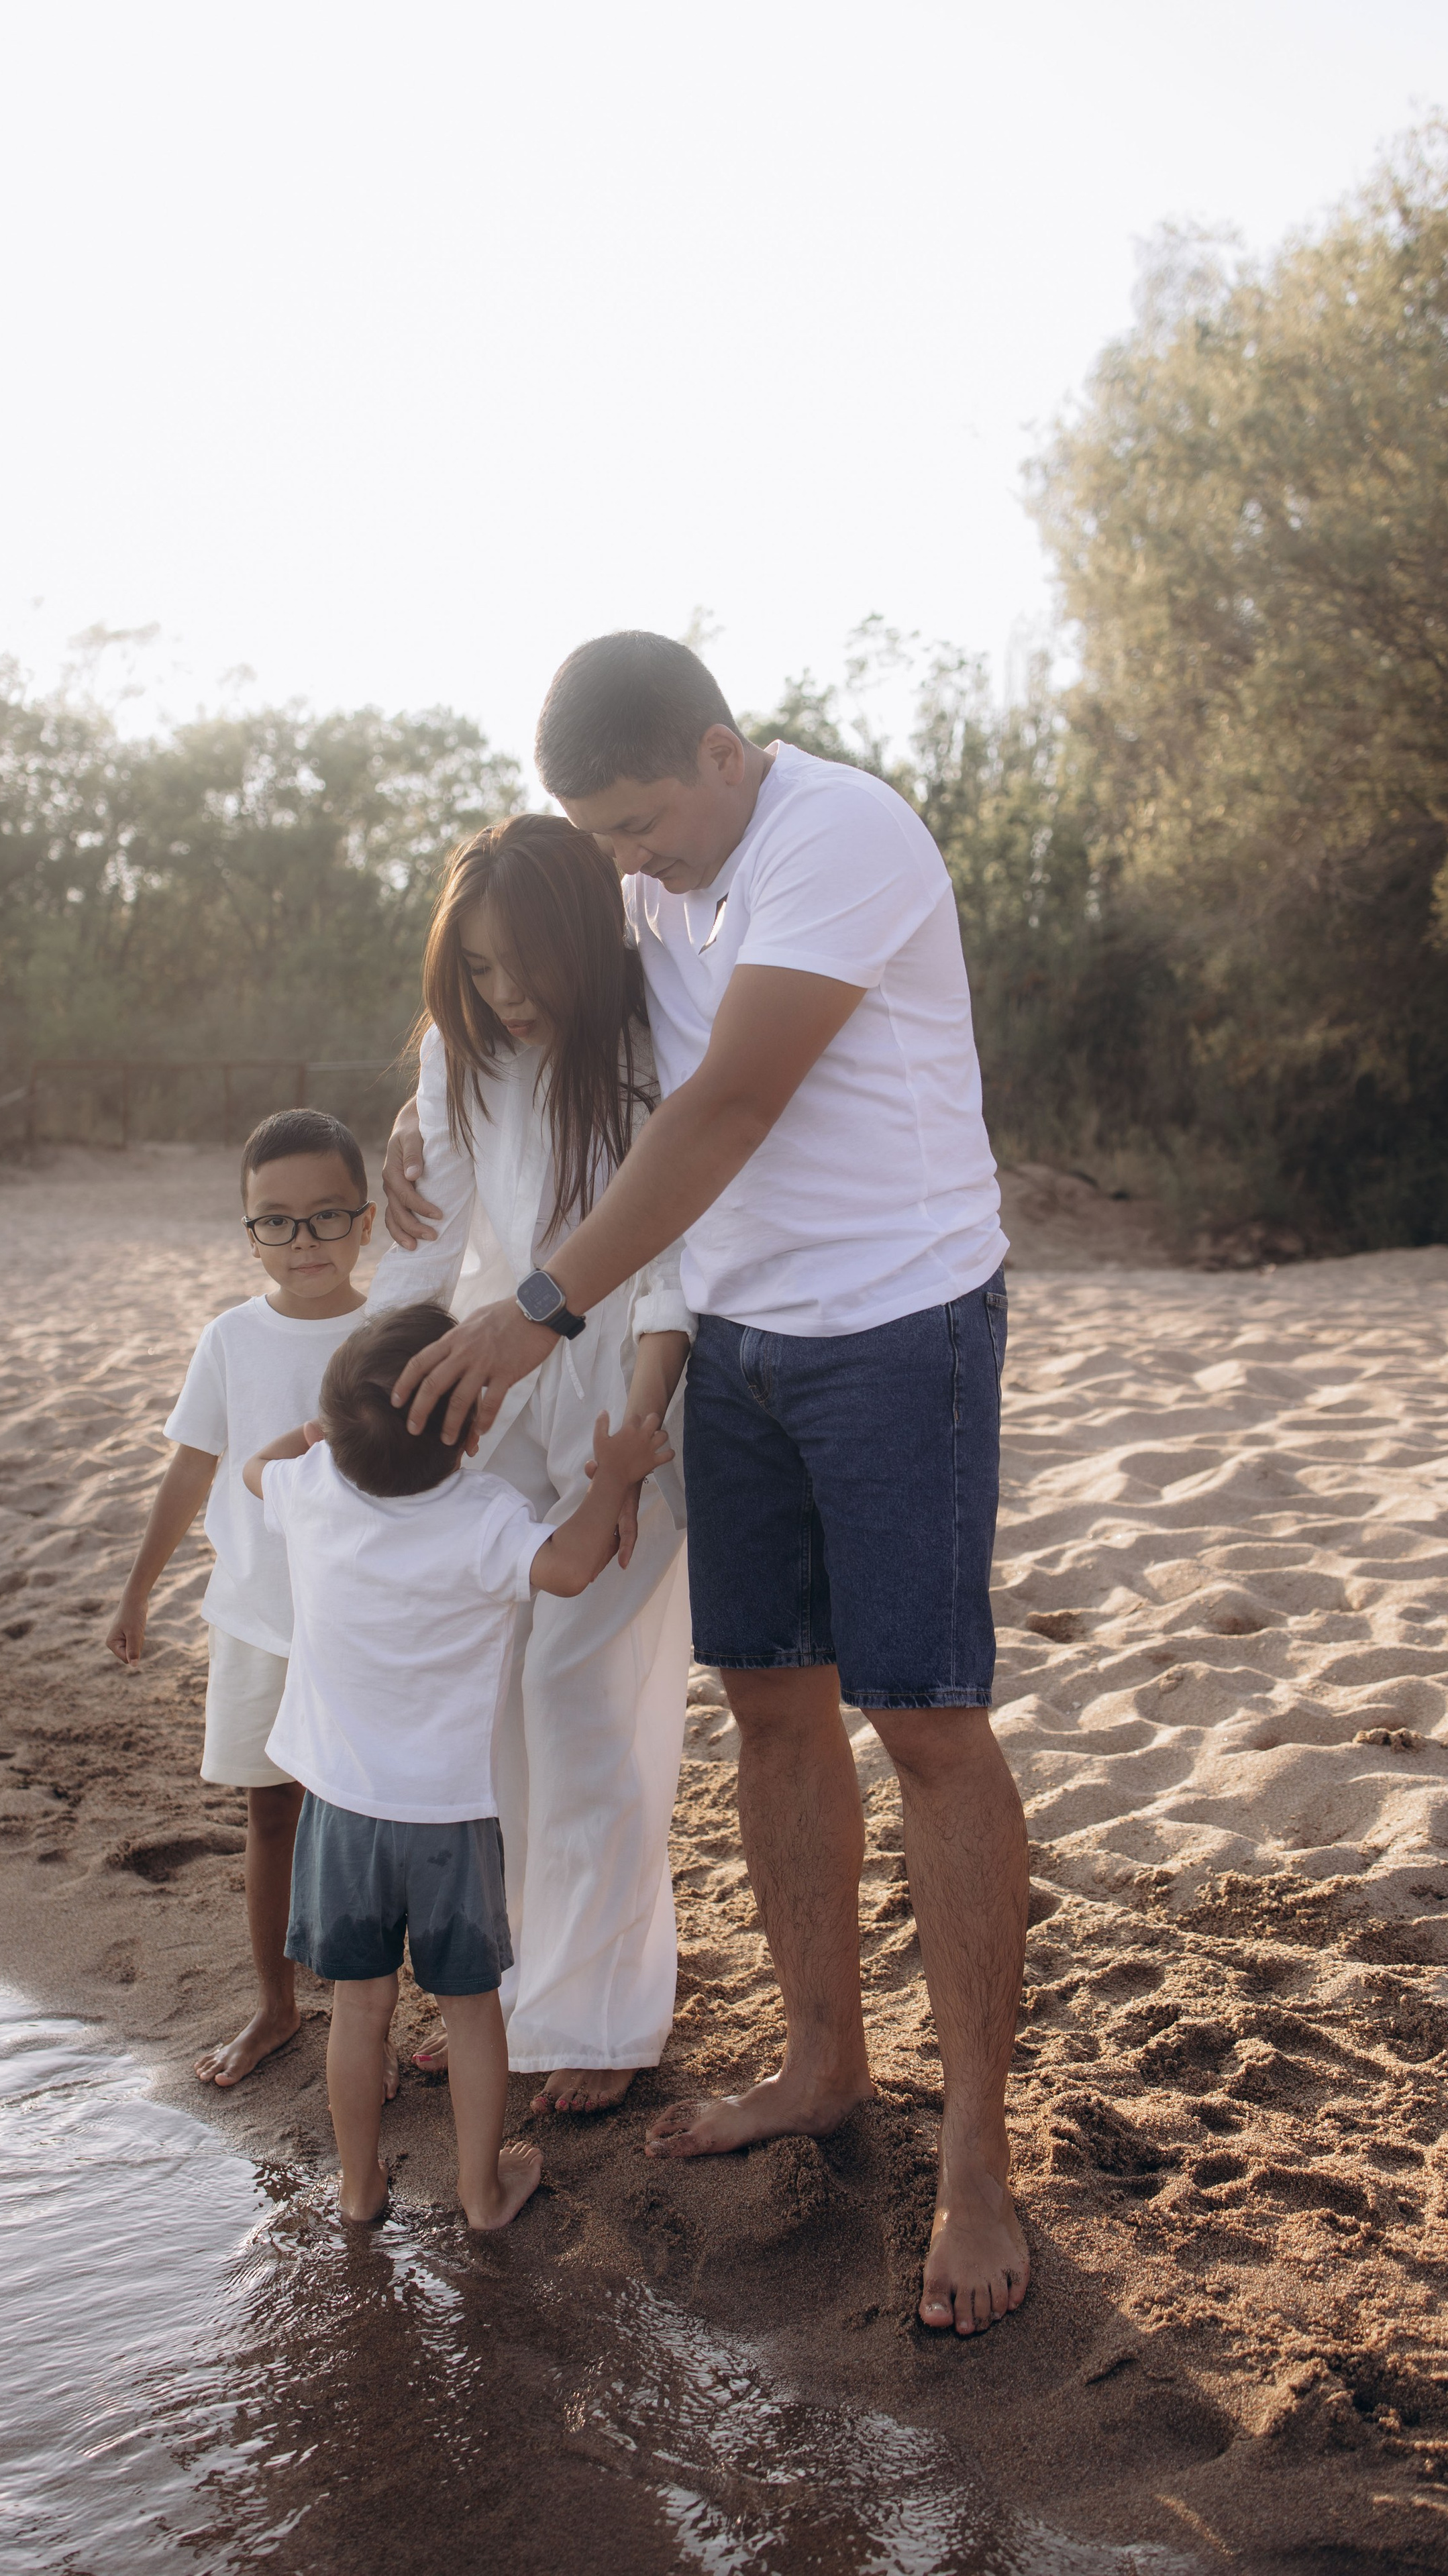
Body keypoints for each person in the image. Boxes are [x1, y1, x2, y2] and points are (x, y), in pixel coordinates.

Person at [382, 632, 1029, 2337]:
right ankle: (825, 2061)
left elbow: (729, 1104)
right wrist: (416, 1108)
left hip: (897, 1329)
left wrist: (540, 1310)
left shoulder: (837, 835)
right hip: (736, 1344)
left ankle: (974, 2150)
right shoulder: (647, 881)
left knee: (930, 1722)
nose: (625, 864)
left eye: (641, 825)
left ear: (724, 754)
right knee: (766, 1708)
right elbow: (529, 1013)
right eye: (597, 834)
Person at [364, 813, 693, 2116]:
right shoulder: (461, 1052)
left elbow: (676, 1250)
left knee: (580, 1693)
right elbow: (418, 1253)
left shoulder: (652, 1043)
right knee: (486, 1691)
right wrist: (364, 1419)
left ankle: (601, 2016)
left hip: (630, 1385)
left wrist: (639, 1425)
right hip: (491, 1383)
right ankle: (502, 1988)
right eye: (480, 974)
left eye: (525, 967)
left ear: (584, 940)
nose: (507, 997)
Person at [243, 1303, 675, 2229]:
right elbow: (567, 1568)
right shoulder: (483, 1515)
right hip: (447, 1821)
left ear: (333, 1431)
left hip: (342, 1812)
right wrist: (615, 1477)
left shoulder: (311, 1485)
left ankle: (360, 2191)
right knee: (473, 2010)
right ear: (475, 1427)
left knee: (359, 2011)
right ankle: (481, 2194)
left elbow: (255, 1470)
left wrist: (320, 1431)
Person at [106, 1107, 380, 2093]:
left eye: (324, 1217)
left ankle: (363, 2023)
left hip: (358, 1627)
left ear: (366, 1220)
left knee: (358, 1821)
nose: (301, 1241)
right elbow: (191, 1469)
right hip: (257, 1617)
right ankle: (275, 2004)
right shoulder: (232, 1338)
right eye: (275, 1221)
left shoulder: (387, 1334)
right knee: (271, 1817)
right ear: (249, 1228)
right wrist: (139, 1589)